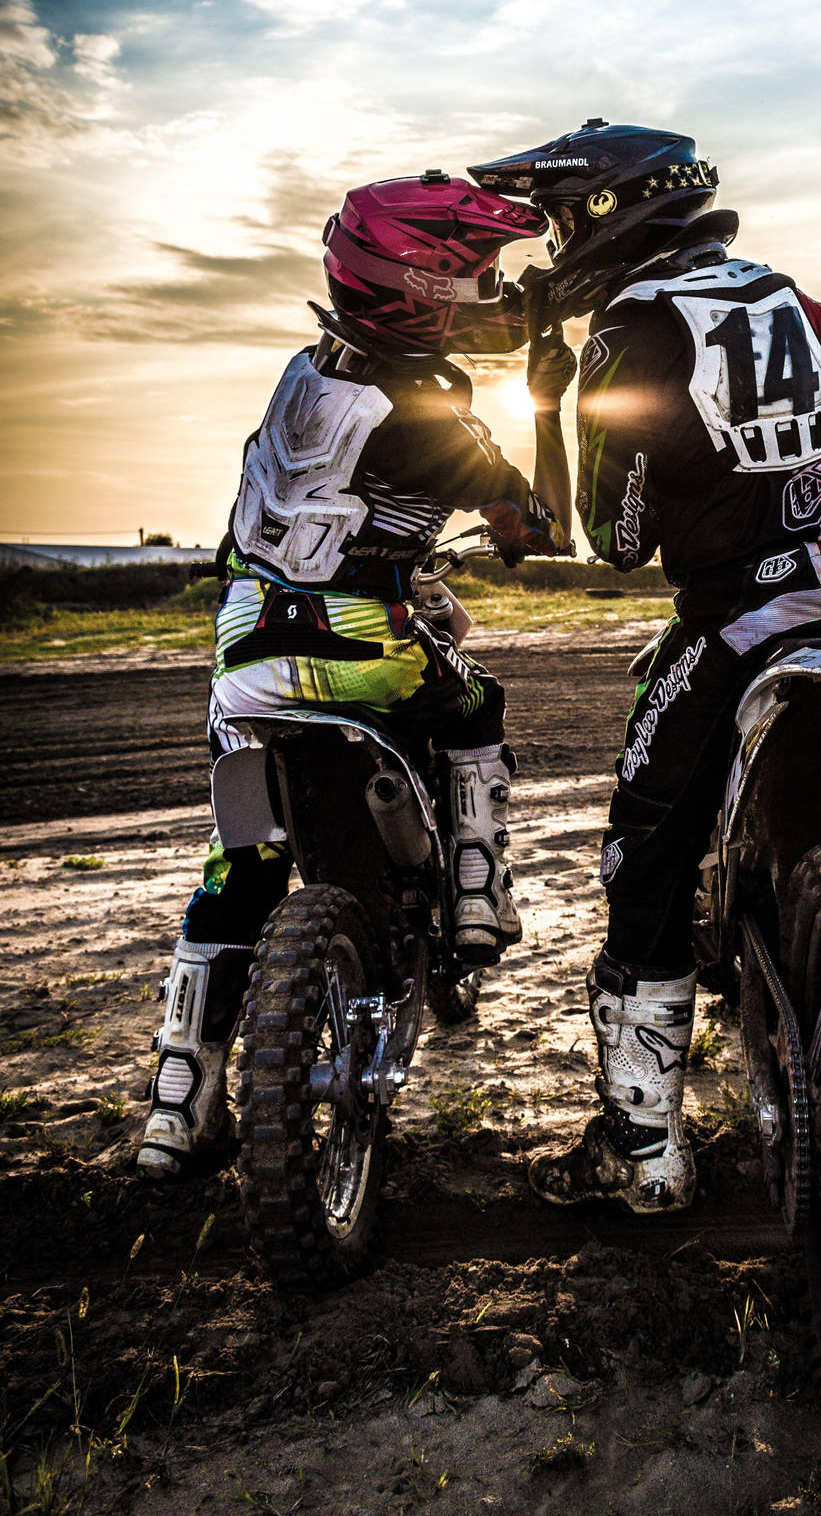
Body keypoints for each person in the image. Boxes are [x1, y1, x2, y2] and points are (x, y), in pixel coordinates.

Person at [469, 121, 821, 1215]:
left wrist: (554, 405)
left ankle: (644, 1149)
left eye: (558, 219)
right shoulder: (777, 293)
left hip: (743, 621)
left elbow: (616, 535)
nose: (552, 246)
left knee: (644, 853)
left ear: (608, 213)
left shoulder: (631, 334)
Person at [138, 170, 571, 1179]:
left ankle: (178, 1099)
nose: (488, 293)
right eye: (474, 277)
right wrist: (546, 406)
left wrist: (523, 320)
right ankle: (474, 893)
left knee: (238, 867)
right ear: (421, 289)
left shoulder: (305, 373)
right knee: (476, 702)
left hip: (246, 657)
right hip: (357, 653)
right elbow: (533, 530)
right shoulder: (430, 420)